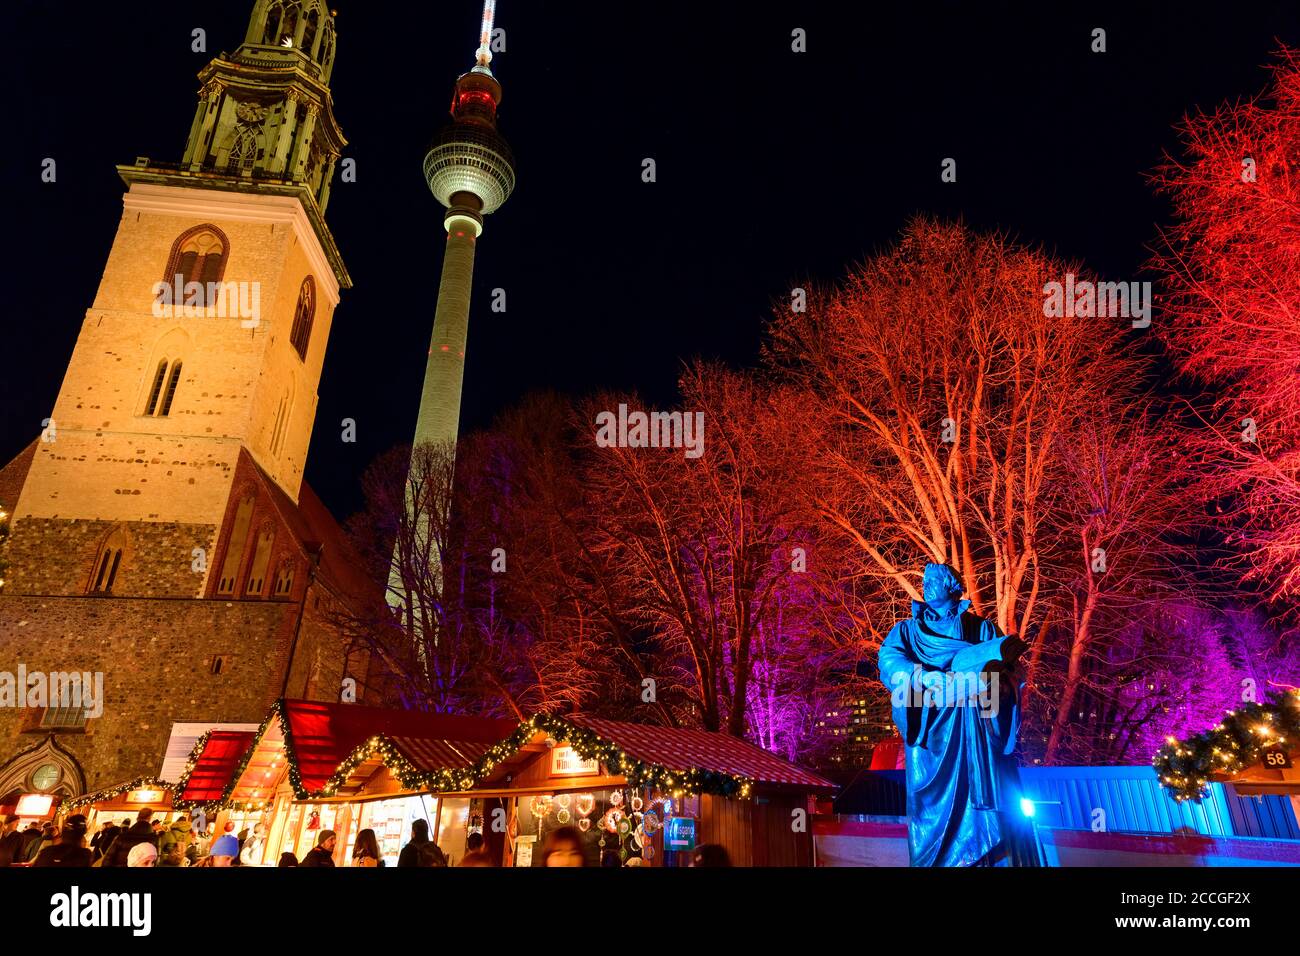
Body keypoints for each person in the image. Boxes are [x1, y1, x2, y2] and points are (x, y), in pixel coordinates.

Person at [877, 562, 1037, 867]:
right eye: (924, 580)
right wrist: (922, 676)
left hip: (974, 728)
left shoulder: (982, 629)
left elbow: (1013, 673)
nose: (926, 584)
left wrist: (991, 684)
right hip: (929, 737)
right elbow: (888, 661)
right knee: (929, 815)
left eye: (935, 579)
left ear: (953, 586)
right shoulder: (908, 632)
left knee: (984, 816)